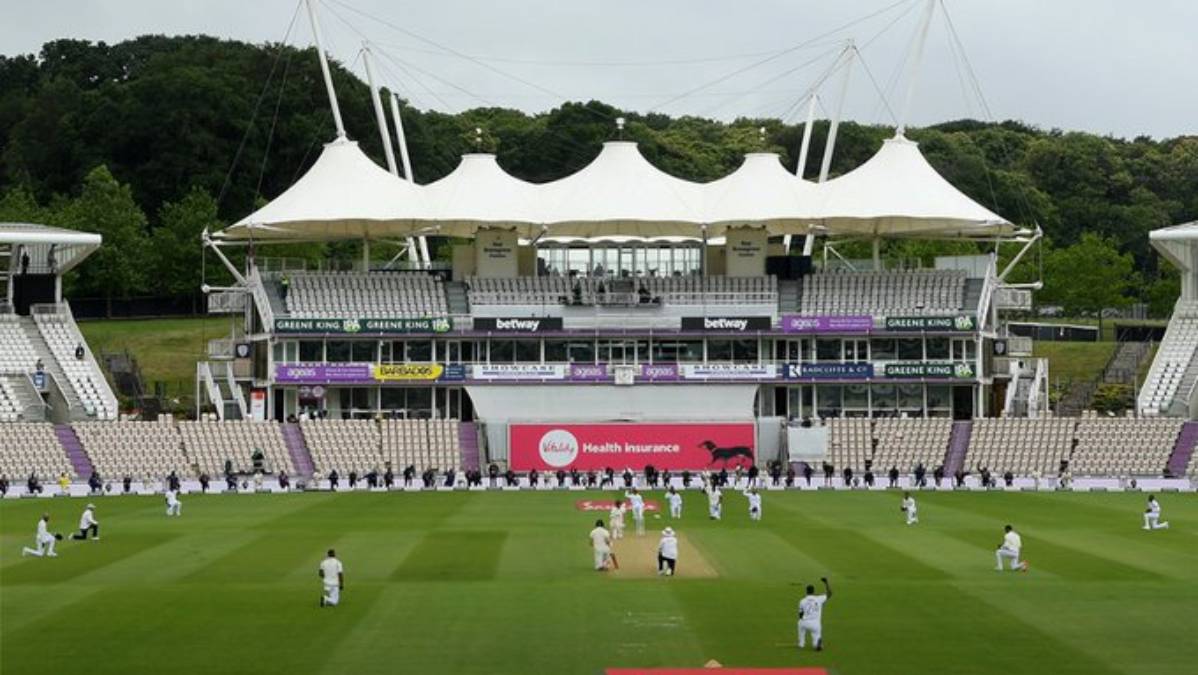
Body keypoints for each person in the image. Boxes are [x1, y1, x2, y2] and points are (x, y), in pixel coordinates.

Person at [797, 577, 832, 651]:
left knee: (800, 623)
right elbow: (829, 594)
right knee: (816, 638)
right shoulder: (819, 599)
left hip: (804, 622)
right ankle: (817, 644)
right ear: (813, 591)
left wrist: (803, 619)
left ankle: (801, 643)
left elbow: (800, 615)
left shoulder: (802, 601)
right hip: (815, 624)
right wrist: (826, 583)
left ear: (806, 591)